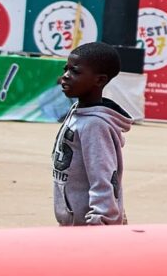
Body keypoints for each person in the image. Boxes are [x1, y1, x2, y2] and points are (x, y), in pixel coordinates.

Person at [52, 42, 132, 226]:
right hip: (73, 226)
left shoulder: (95, 125)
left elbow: (103, 180)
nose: (66, 76)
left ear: (100, 80)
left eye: (75, 71)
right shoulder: (77, 111)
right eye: (66, 69)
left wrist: (100, 224)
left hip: (91, 230)